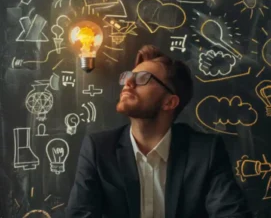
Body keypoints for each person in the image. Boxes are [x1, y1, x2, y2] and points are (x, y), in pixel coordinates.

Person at [66, 45, 252, 218]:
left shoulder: (205, 152)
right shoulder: (99, 149)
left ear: (169, 102)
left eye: (143, 78)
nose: (128, 82)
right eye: (129, 76)